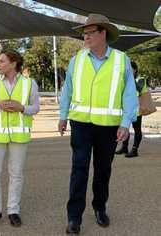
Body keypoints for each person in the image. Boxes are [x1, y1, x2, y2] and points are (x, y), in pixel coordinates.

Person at [58, 14, 138, 234]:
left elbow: (129, 94)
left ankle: (100, 207)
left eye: (90, 32)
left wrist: (125, 123)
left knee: (103, 170)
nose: (86, 36)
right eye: (84, 32)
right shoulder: (77, 59)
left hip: (108, 127)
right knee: (79, 169)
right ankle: (74, 217)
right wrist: (63, 115)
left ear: (103, 33)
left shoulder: (122, 60)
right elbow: (68, 91)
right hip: (81, 124)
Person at [0, 50, 40, 227]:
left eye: (1, 61)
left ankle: (13, 210)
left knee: (16, 174)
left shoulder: (30, 83)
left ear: (13, 63)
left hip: (19, 134)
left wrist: (21, 108)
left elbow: (35, 108)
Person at [115, 61, 147, 157]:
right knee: (125, 128)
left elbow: (139, 90)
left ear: (135, 69)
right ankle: (124, 147)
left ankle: (134, 150)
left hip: (136, 110)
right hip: (126, 109)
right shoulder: (124, 79)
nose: (128, 70)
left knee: (137, 130)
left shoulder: (140, 79)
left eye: (130, 69)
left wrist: (130, 79)